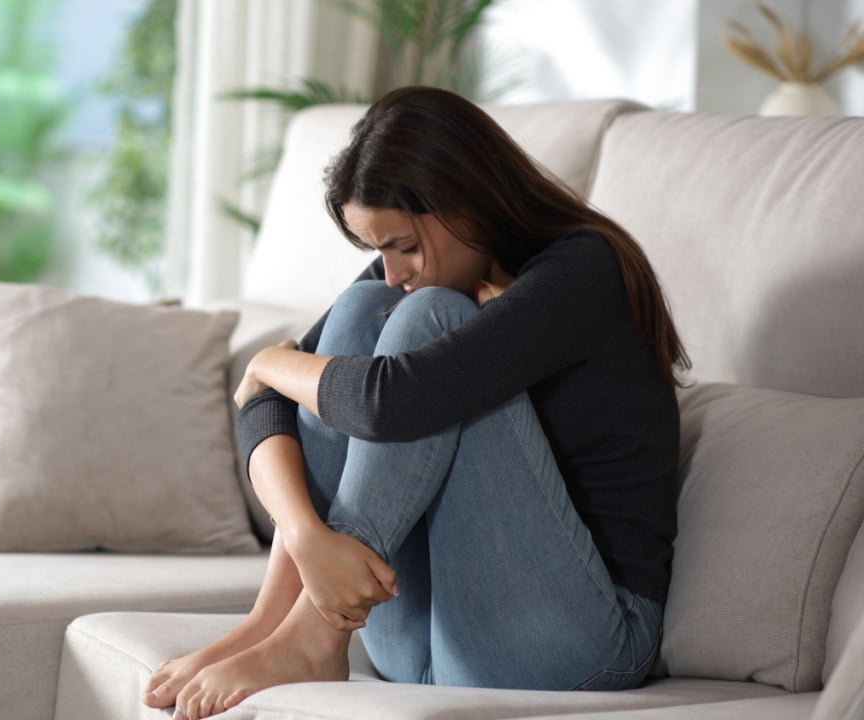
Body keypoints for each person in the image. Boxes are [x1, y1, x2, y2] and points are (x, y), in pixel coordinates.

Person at [142, 86, 690, 720]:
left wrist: (266, 358)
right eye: (379, 250)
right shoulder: (398, 276)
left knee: (426, 317)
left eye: (403, 244)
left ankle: (314, 633)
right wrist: (304, 535)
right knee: (360, 311)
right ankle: (275, 623)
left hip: (579, 644)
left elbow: (388, 402)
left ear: (466, 202)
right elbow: (263, 408)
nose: (393, 268)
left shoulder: (582, 270)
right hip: (419, 642)